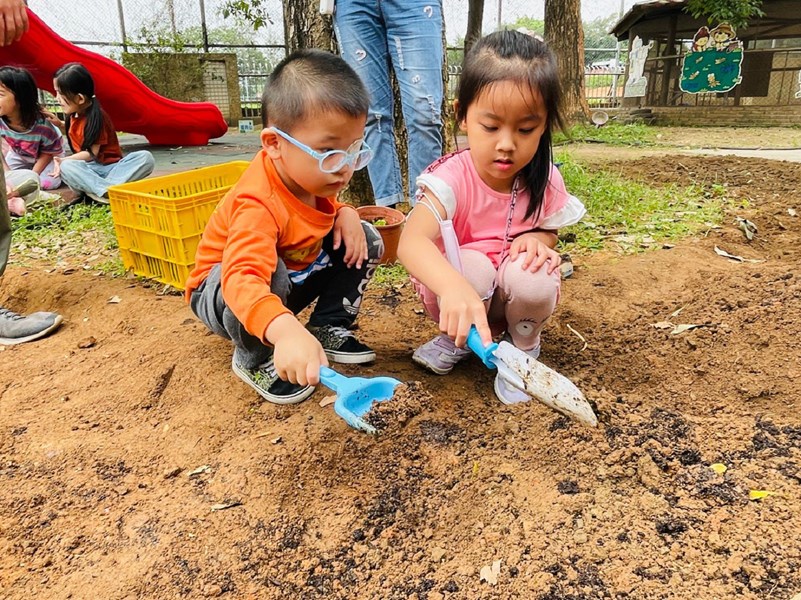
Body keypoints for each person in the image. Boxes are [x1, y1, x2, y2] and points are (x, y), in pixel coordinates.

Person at [397, 30, 586, 405]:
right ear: (462, 115)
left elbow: (549, 231)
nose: (506, 143)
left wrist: (539, 241)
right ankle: (459, 340)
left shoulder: (544, 178)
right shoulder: (451, 180)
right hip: (464, 295)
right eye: (491, 126)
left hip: (515, 297)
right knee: (470, 267)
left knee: (532, 275)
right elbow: (410, 241)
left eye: (525, 129)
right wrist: (452, 287)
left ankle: (523, 346)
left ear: (544, 124)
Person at [185, 49, 384, 405]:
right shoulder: (257, 203)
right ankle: (254, 356)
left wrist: (347, 213)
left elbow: (319, 212)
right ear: (275, 144)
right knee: (269, 268)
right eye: (329, 152)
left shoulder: (312, 177)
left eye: (354, 149)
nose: (346, 168)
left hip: (285, 275)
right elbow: (242, 278)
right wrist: (286, 330)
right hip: (224, 291)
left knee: (365, 238)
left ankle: (326, 325)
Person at [333, 0, 444, 209]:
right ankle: (386, 219)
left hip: (415, 5)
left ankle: (423, 216)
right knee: (371, 116)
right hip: (354, 5)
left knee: (425, 113)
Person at [0, 0, 63, 344]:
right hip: (13, 171)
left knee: (36, 179)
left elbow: (52, 154)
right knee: (19, 182)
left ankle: (18, 198)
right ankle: (18, 198)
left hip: (34, 170)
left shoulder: (43, 126)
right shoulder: (3, 124)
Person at [50, 62, 154, 203]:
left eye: (61, 93)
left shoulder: (97, 117)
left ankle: (102, 190)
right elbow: (79, 132)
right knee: (67, 168)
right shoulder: (73, 115)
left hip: (110, 168)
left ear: (80, 98)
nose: (57, 98)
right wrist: (60, 124)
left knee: (145, 158)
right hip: (87, 170)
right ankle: (107, 190)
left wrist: (63, 160)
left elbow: (91, 153)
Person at [0, 66, 65, 216]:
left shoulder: (42, 124)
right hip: (19, 155)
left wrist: (32, 175)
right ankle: (16, 198)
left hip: (48, 157)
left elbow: (48, 153)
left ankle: (15, 197)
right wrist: (8, 175)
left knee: (49, 182)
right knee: (6, 179)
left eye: (0, 94)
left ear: (21, 98)